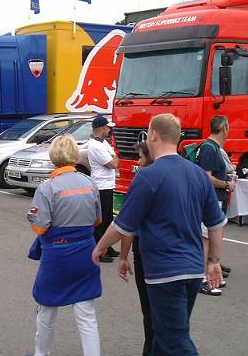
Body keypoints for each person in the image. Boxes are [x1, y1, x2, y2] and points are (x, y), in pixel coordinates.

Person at [93, 113, 226, 356]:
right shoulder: (197, 174)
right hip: (193, 269)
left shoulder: (148, 176)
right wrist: (214, 261)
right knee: (164, 337)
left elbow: (123, 225)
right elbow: (216, 224)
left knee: (174, 341)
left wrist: (99, 246)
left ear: (153, 135)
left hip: (165, 272)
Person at [27, 135, 102, 356]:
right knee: (86, 314)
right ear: (74, 155)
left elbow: (40, 227)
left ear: (53, 157)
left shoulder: (47, 188)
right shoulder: (90, 183)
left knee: (47, 310)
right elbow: (97, 220)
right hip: (86, 253)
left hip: (57, 257)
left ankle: (41, 354)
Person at [118, 141, 154, 356]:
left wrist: (123, 255)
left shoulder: (144, 178)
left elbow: (127, 224)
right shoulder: (185, 173)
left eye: (140, 157)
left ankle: (150, 348)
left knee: (149, 310)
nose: (137, 162)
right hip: (180, 253)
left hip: (147, 250)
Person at [196, 115, 234, 295]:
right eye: (229, 128)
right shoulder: (210, 149)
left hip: (213, 199)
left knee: (210, 239)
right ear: (224, 128)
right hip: (210, 200)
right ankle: (202, 278)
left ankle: (209, 274)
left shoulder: (211, 147)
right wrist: (227, 184)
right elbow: (207, 177)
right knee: (205, 240)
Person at [87, 115, 119, 263]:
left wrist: (113, 156)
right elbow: (112, 164)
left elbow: (115, 159)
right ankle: (99, 250)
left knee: (108, 219)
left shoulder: (103, 143)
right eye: (107, 127)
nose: (110, 130)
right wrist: (113, 156)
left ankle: (107, 246)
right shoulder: (95, 145)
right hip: (101, 186)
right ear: (101, 129)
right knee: (101, 221)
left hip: (108, 185)